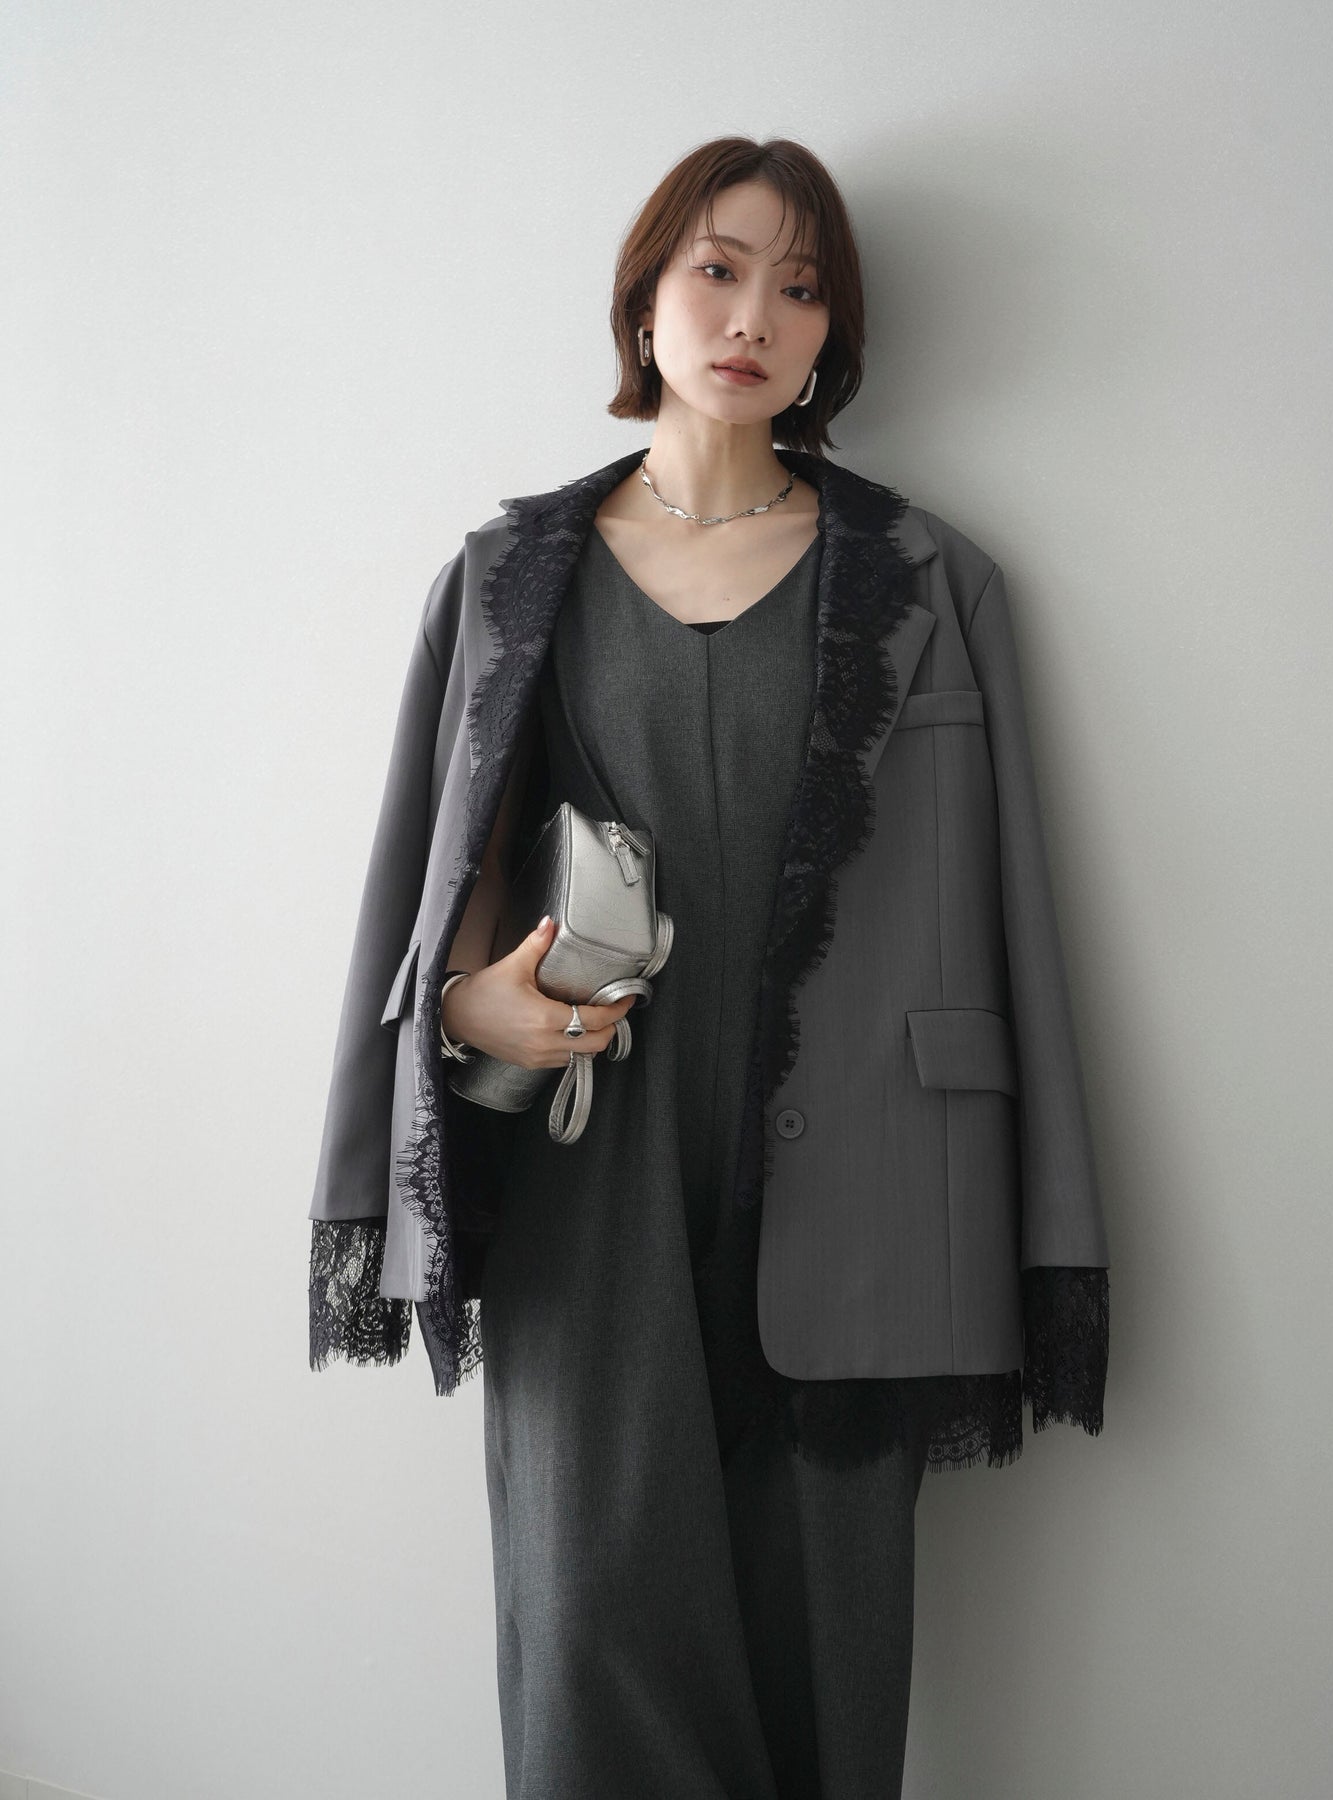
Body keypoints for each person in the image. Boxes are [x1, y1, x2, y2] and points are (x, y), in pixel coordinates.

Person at [309, 135, 1110, 1800]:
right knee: (591, 1642)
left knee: (828, 1679)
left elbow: (1019, 929)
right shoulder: (508, 577)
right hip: (586, 1188)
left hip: (872, 1197)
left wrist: (1051, 1240)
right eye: (719, 269)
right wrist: (464, 1011)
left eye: (801, 289)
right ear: (646, 298)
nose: (754, 316)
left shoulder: (931, 582)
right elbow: (426, 891)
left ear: (834, 339)